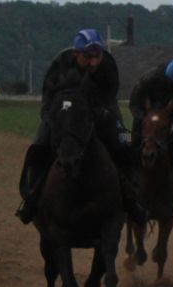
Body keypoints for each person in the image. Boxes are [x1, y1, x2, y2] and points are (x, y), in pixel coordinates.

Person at [15, 28, 135, 226]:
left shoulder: (108, 65)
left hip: (101, 111)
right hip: (64, 114)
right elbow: (48, 100)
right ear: (76, 54)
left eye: (97, 56)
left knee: (122, 145)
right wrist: (55, 122)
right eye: (88, 57)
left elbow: (109, 96)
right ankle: (32, 196)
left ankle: (132, 198)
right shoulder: (60, 65)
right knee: (39, 145)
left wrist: (97, 118)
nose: (94, 62)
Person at [127, 55, 173, 203]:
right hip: (146, 116)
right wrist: (143, 118)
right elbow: (134, 100)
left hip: (171, 119)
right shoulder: (149, 79)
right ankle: (126, 181)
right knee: (134, 144)